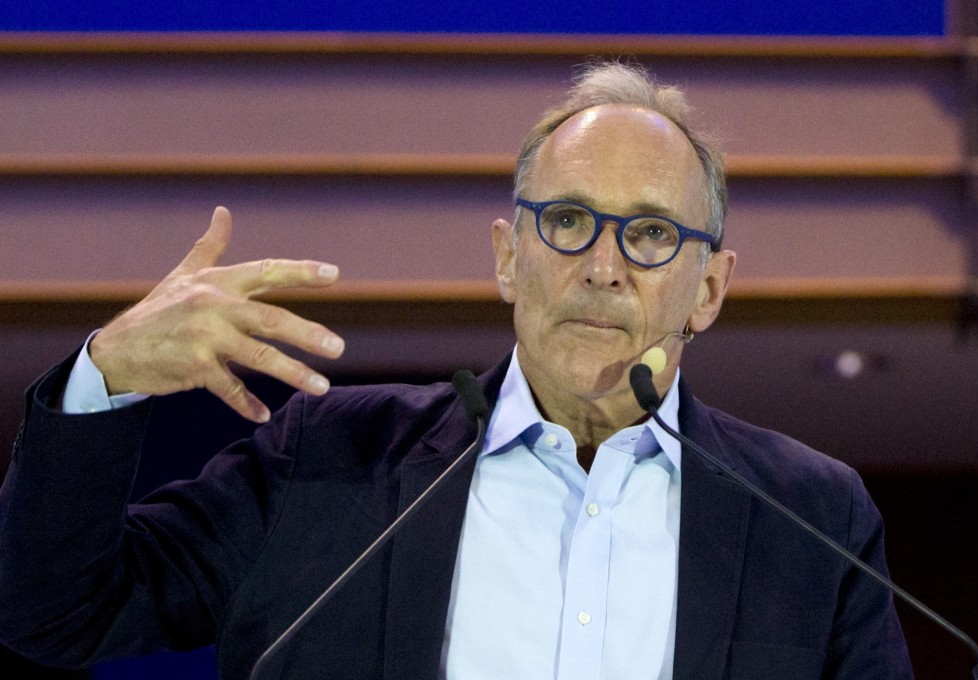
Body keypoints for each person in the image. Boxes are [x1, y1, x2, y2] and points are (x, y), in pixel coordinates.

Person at [0, 62, 913, 679]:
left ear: (708, 288)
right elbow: (53, 615)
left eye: (649, 233)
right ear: (508, 257)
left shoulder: (811, 518)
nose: (602, 266)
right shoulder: (328, 464)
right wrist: (105, 374)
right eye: (567, 221)